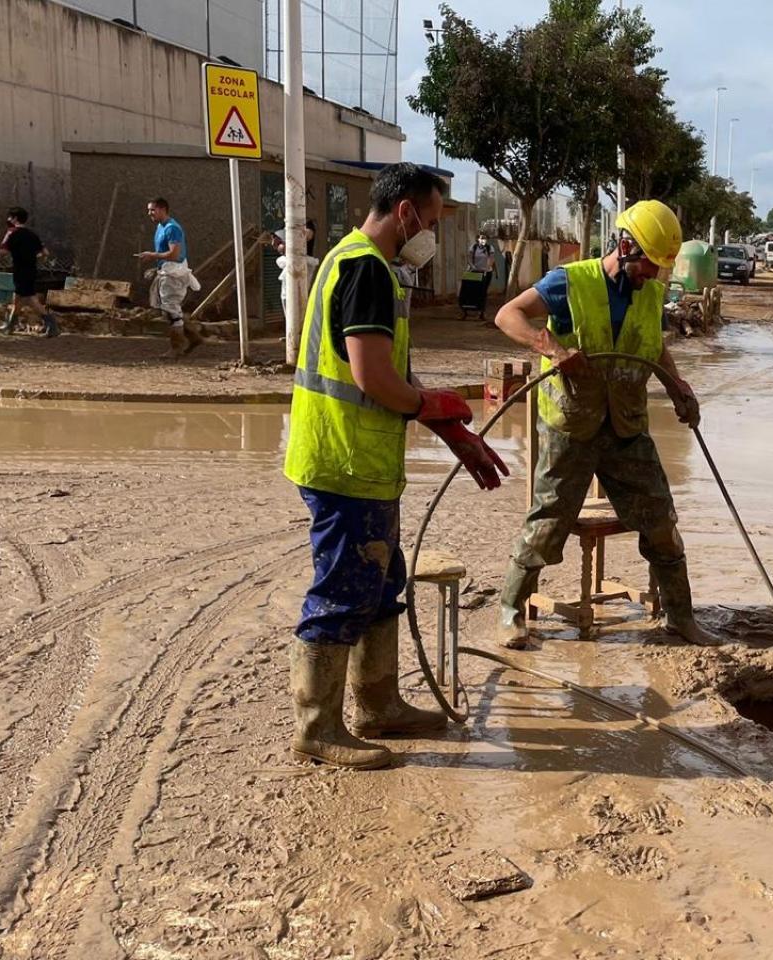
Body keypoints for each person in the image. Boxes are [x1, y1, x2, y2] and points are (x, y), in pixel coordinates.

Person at [283, 162, 509, 770]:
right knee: (343, 591)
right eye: (432, 221)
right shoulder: (366, 269)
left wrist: (452, 430)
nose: (431, 235)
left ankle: (377, 705)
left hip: (363, 462)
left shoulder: (365, 265)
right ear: (406, 211)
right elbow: (373, 377)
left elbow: (394, 374)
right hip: (342, 460)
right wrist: (429, 404)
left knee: (381, 585)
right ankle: (317, 726)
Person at [491, 199, 703, 650]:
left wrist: (678, 385)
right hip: (573, 425)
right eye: (648, 263)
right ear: (624, 245)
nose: (652, 274)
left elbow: (652, 345)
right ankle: (510, 611)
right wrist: (550, 348)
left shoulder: (651, 292)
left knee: (661, 519)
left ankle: (681, 618)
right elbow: (507, 315)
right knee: (547, 522)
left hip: (626, 425)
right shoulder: (569, 281)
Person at [137, 198, 205, 356]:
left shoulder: (172, 228)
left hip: (174, 273)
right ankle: (193, 337)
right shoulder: (161, 227)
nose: (150, 213)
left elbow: (174, 254)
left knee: (172, 311)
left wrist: (152, 256)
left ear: (162, 209)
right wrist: (157, 266)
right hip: (167, 271)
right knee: (170, 310)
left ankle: (176, 347)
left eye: (152, 210)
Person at [0, 207, 58, 337]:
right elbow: (45, 253)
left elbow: (2, 252)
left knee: (30, 299)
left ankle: (50, 322)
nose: (8, 219)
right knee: (17, 299)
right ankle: (10, 325)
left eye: (10, 217)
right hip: (31, 269)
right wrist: (31, 257)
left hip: (20, 270)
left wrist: (10, 243)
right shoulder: (32, 234)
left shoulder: (12, 233)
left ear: (14, 218)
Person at [272, 226, 319, 314]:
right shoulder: (284, 260)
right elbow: (281, 260)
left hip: (299, 298)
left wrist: (301, 235)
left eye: (282, 242)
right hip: (286, 297)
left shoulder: (308, 262)